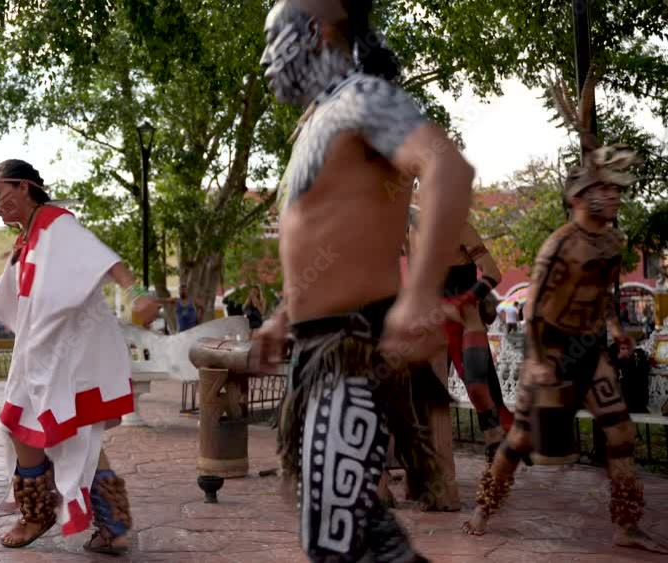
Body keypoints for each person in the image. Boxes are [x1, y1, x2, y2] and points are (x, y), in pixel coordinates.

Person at [253, 1, 474, 561]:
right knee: (357, 533)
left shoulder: (363, 99)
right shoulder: (319, 123)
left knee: (338, 536)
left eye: (271, 37)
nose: (264, 59)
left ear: (312, 30)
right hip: (319, 348)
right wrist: (284, 316)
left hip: (354, 349)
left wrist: (421, 295)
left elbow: (447, 167)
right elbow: (328, 241)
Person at [462, 71, 667, 554]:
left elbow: (604, 294)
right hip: (549, 353)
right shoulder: (559, 245)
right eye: (606, 188)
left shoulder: (614, 241)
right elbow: (532, 307)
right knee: (518, 444)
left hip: (588, 350)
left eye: (618, 189)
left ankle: (626, 524)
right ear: (579, 197)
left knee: (619, 434)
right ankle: (484, 508)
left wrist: (616, 329)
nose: (615, 195)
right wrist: (536, 361)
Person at [0, 159, 158, 554]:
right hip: (42, 353)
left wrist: (137, 292)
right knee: (73, 435)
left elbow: (106, 260)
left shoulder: (58, 224)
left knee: (24, 425)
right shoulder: (29, 239)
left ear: (23, 187)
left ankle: (38, 513)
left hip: (66, 354)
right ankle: (114, 525)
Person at [409, 209, 515, 468]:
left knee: (480, 389)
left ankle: (498, 448)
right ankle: (426, 466)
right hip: (431, 324)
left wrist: (464, 300)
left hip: (464, 322)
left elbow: (493, 274)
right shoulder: (411, 231)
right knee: (421, 393)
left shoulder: (461, 227)